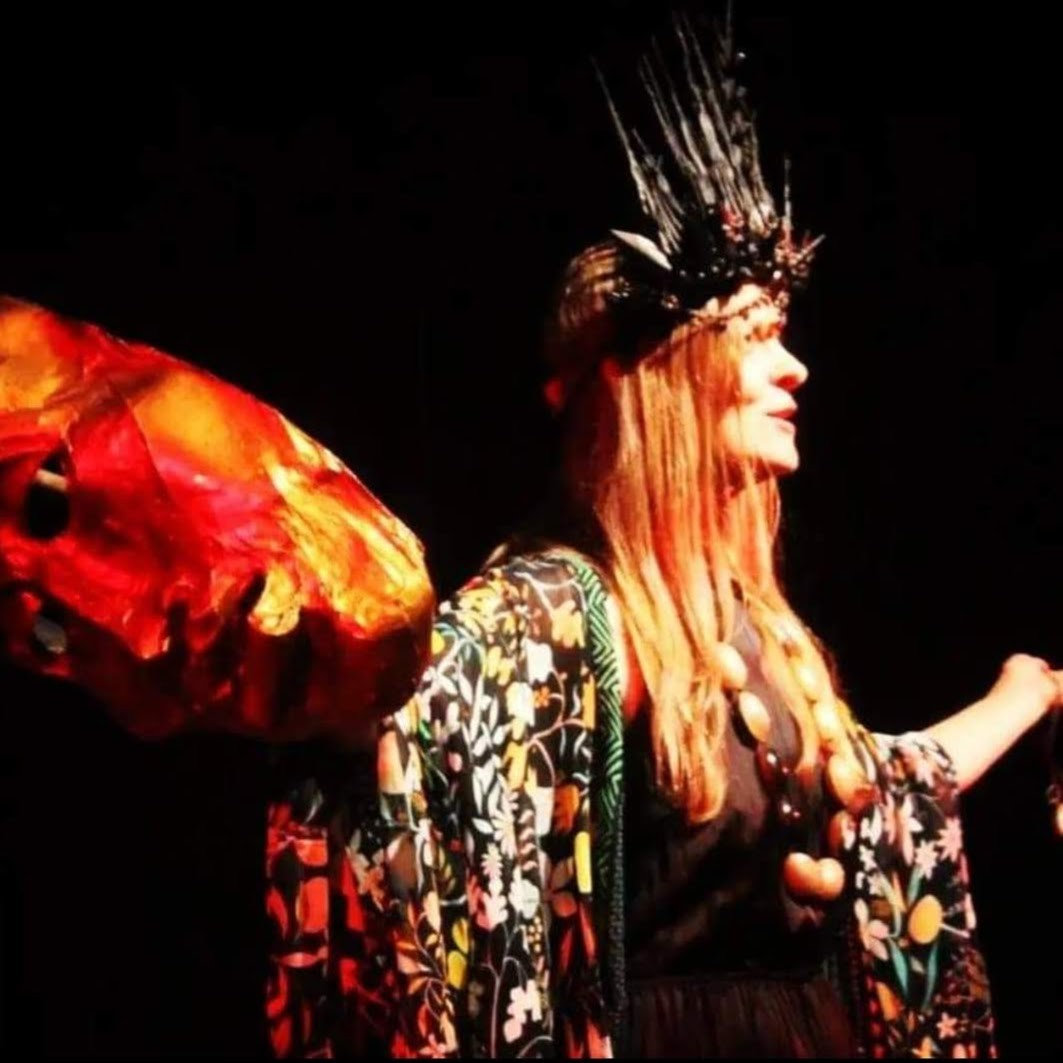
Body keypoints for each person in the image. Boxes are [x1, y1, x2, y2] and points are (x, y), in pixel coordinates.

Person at [264, 13, 1063, 1060]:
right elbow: (404, 726)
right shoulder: (556, 609)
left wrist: (1025, 693)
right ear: (658, 374)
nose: (795, 369)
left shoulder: (749, 624)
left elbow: (884, 792)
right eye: (757, 336)